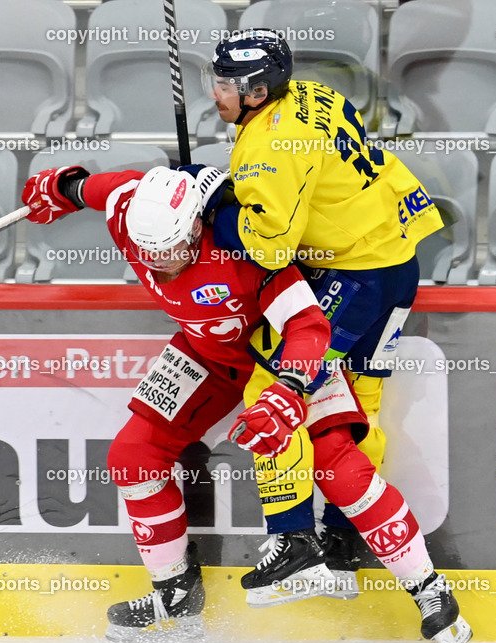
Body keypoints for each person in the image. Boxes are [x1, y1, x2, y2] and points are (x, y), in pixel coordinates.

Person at [21, 165, 471, 643]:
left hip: (277, 355)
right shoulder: (129, 210)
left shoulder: (249, 246)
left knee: (336, 465)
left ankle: (430, 591)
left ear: (197, 223)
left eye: (173, 248)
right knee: (132, 456)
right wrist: (62, 186)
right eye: (149, 255)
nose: (163, 264)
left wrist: (289, 387)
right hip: (205, 356)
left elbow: (308, 327)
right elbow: (96, 188)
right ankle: (174, 592)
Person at [188, 28, 447, 593]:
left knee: (273, 390)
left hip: (350, 275)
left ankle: (293, 539)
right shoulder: (311, 93)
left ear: (258, 91)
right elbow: (311, 174)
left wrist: (214, 210)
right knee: (363, 396)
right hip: (397, 259)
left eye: (227, 84)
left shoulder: (264, 144)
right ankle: (345, 534)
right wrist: (236, 189)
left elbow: (270, 244)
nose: (216, 92)